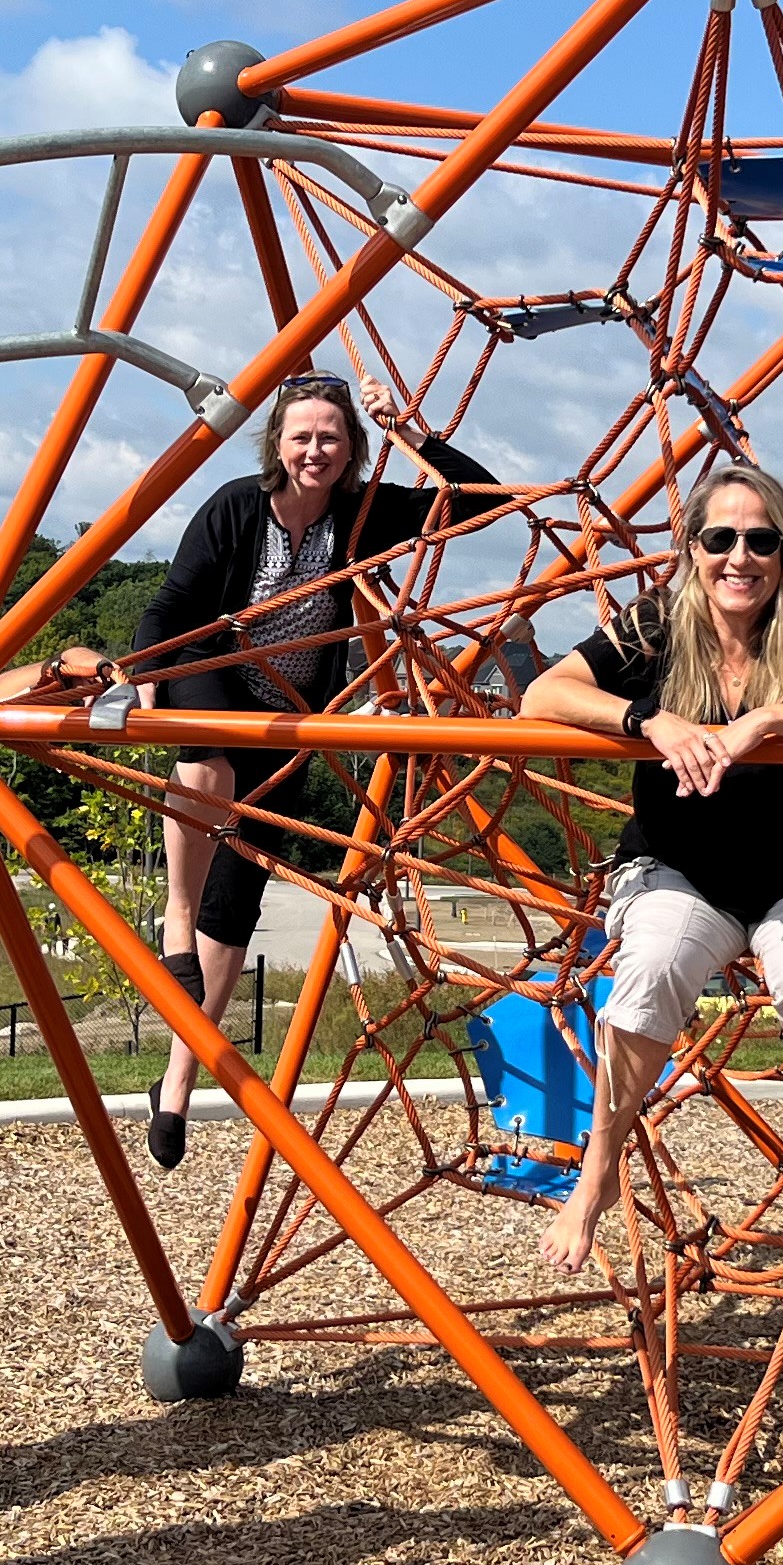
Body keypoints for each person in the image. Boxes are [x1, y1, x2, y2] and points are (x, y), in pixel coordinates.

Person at [518, 461, 783, 1276]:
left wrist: (770, 720)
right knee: (651, 967)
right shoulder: (656, 626)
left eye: (762, 540)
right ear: (692, 547)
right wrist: (650, 719)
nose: (742, 557)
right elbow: (543, 697)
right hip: (683, 865)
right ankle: (598, 1168)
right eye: (721, 538)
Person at [126, 375, 510, 1169]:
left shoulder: (362, 515)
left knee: (234, 910)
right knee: (209, 759)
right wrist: (140, 670)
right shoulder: (237, 507)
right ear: (277, 443)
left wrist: (408, 428)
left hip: (292, 711)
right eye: (301, 436)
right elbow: (174, 604)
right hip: (218, 669)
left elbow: (483, 502)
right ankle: (173, 907)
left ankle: (178, 1080)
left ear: (350, 448)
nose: (314, 450)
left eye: (331, 436)